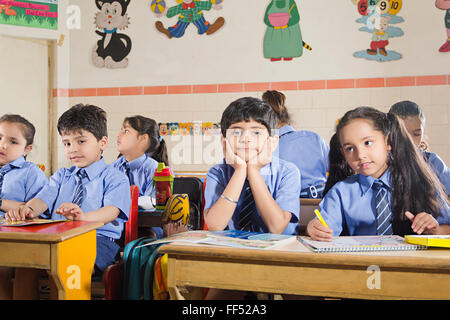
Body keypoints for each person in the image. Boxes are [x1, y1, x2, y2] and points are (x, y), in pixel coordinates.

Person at [6, 104, 131, 276]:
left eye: (81, 141)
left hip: (98, 240)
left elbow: (112, 211)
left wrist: (83, 218)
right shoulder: (61, 176)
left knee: (67, 263)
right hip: (57, 238)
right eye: (67, 143)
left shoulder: (115, 177)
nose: (72, 149)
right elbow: (42, 199)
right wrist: (28, 209)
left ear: (102, 143)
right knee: (24, 263)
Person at [307, 107, 450, 241]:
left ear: (388, 142)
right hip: (363, 265)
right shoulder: (341, 192)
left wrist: (435, 231)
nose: (360, 155)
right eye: (350, 148)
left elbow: (447, 228)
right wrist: (314, 228)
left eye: (368, 143)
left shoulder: (421, 183)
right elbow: (324, 225)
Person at [0, 114, 48, 300]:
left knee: (19, 267)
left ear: (26, 148)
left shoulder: (31, 173)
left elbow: (33, 210)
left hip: (21, 239)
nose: (3, 145)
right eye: (0, 137)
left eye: (13, 141)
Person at [262, 90, 329, 198]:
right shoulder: (314, 138)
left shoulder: (269, 149)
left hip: (290, 205)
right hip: (322, 202)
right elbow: (335, 169)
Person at [111, 115, 170, 238]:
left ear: (143, 139)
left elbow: (154, 204)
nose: (119, 135)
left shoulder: (154, 169)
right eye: (121, 130)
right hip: (119, 224)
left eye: (126, 131)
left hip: (147, 227)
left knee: (148, 235)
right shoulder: (114, 167)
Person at [389, 100, 449, 195]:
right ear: (390, 132)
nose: (410, 140)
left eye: (417, 134)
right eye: (402, 134)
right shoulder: (381, 163)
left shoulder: (433, 162)